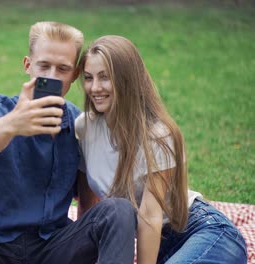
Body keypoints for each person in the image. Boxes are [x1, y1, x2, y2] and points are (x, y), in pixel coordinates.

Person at [0, 22, 137, 264]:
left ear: (74, 75)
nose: (52, 76)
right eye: (44, 65)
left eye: (62, 68)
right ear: (28, 65)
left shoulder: (79, 124)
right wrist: (13, 124)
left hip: (53, 248)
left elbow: (87, 200)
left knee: (118, 209)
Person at [75, 35, 248, 264]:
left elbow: (150, 214)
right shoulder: (84, 127)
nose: (94, 88)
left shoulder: (158, 134)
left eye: (104, 78)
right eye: (88, 78)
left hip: (204, 232)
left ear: (126, 79)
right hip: (158, 245)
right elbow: (88, 206)